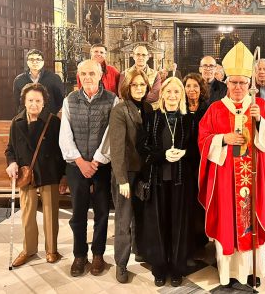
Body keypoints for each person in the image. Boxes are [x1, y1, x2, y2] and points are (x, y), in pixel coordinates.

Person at [198, 42, 265, 288]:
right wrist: (223, 139)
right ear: (226, 84)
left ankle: (252, 270)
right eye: (233, 82)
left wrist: (260, 124)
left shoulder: (260, 107)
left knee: (250, 220)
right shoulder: (215, 109)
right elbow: (202, 140)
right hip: (225, 179)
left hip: (252, 178)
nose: (237, 87)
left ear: (249, 84)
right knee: (228, 221)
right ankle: (228, 274)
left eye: (242, 83)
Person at [59, 59, 118, 277]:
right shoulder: (70, 100)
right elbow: (65, 133)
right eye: (83, 74)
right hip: (77, 166)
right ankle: (79, 254)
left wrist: (97, 160)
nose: (87, 77)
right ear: (79, 76)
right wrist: (79, 161)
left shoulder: (112, 100)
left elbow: (112, 132)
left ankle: (98, 254)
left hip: (101, 165)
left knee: (102, 212)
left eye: (92, 73)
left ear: (101, 74)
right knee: (78, 213)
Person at [5, 83, 66, 267]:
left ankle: (51, 250)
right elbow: (10, 149)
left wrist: (63, 176)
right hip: (27, 174)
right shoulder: (16, 122)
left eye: (38, 101)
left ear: (44, 102)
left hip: (49, 172)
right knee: (27, 214)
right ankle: (29, 250)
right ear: (24, 101)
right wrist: (12, 162)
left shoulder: (54, 122)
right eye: (30, 100)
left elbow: (62, 151)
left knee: (50, 214)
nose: (34, 104)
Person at [140, 77, 194, 287]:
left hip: (181, 181)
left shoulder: (188, 119)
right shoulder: (152, 117)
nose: (172, 96)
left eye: (176, 92)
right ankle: (160, 268)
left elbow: (196, 149)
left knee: (178, 225)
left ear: (182, 96)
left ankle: (177, 268)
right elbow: (143, 146)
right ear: (162, 94)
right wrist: (162, 155)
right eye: (168, 92)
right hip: (158, 180)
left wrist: (184, 152)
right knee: (158, 224)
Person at [108, 69, 150, 283]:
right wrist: (122, 179)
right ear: (127, 87)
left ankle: (140, 250)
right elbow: (116, 148)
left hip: (143, 171)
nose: (139, 88)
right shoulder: (120, 110)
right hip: (125, 173)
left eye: (142, 85)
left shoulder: (148, 108)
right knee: (124, 221)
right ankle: (121, 264)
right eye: (135, 85)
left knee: (141, 216)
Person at [183, 73, 210, 259]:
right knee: (186, 201)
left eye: (196, 86)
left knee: (201, 201)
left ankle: (201, 237)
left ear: (201, 89)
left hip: (202, 161)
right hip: (184, 161)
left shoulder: (207, 109)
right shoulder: (179, 108)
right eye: (188, 86)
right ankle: (187, 238)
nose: (192, 89)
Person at [13, 49, 64, 114]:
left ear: (43, 62)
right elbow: (17, 102)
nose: (35, 62)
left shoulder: (54, 78)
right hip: (27, 119)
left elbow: (60, 100)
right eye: (31, 60)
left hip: (48, 118)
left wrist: (51, 113)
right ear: (27, 62)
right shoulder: (19, 80)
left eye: (38, 59)